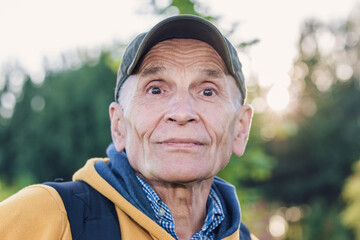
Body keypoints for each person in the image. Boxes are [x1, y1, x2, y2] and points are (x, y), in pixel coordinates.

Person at [0, 15, 256, 240]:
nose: (181, 113)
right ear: (118, 126)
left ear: (241, 129)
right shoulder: (45, 217)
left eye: (208, 91)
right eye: (155, 89)